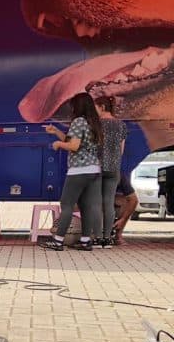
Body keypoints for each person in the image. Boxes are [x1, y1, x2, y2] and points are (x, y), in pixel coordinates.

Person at [40, 92, 103, 251]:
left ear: (78, 106)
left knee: (67, 205)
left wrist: (58, 144)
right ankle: (85, 240)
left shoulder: (78, 121)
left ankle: (58, 240)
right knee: (86, 206)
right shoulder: (94, 123)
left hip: (78, 170)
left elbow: (74, 146)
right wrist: (56, 132)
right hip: (94, 170)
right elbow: (74, 141)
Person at [96, 95, 127, 247]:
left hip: (98, 167)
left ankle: (96, 236)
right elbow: (121, 150)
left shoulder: (96, 124)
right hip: (114, 168)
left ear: (102, 107)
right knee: (108, 203)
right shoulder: (121, 125)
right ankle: (107, 238)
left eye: (96, 107)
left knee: (95, 202)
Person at [114, 172, 138, 244]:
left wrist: (123, 219)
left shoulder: (119, 176)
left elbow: (134, 199)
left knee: (125, 201)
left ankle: (118, 234)